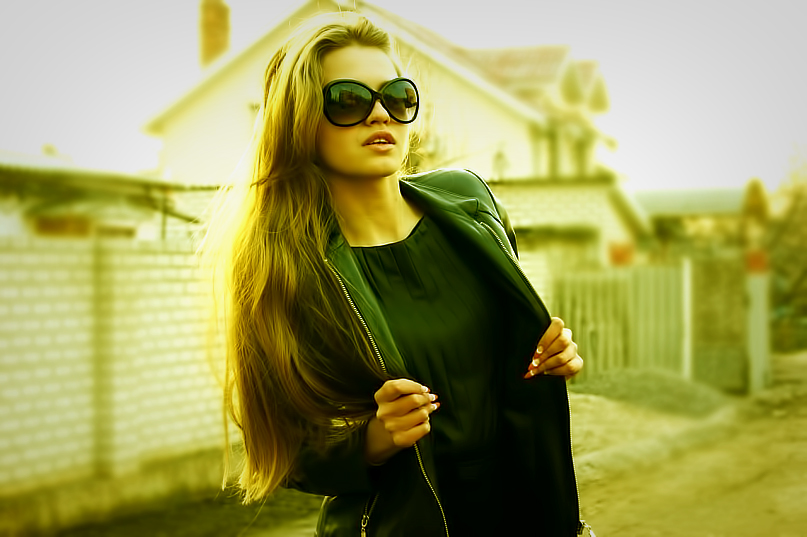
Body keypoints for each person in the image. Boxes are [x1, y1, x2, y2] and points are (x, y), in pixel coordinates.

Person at [200, 10, 591, 537]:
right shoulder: (283, 266)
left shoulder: (470, 202)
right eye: (348, 100)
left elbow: (511, 348)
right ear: (300, 121)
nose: (380, 113)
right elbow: (283, 452)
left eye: (398, 97)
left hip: (527, 512)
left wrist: (552, 355)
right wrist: (373, 441)